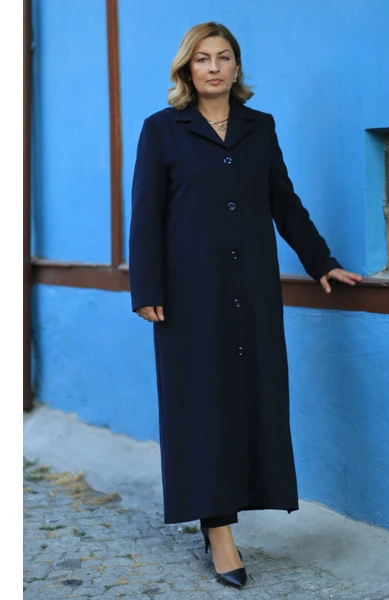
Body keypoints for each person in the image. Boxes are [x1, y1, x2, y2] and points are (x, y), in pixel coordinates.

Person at [129, 21, 362, 590]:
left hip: (251, 291)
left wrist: (321, 261)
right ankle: (219, 532)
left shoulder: (261, 128)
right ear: (187, 69)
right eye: (202, 58)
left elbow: (283, 201)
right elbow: (146, 213)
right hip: (189, 296)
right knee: (201, 408)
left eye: (224, 57)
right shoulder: (162, 130)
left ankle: (232, 509)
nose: (213, 67)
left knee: (251, 402)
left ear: (236, 67)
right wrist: (147, 289)